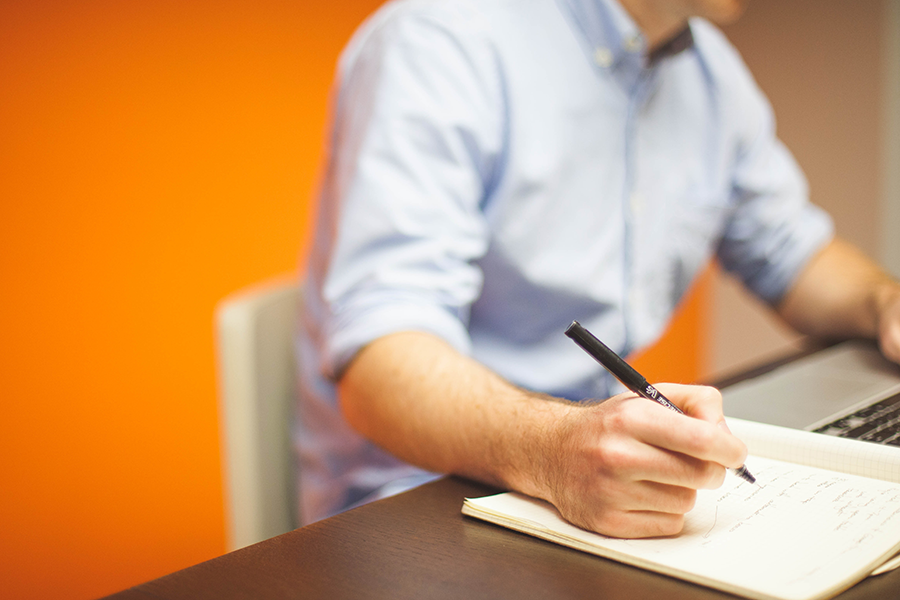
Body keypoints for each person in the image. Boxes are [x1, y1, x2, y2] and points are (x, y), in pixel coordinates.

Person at [295, 0, 900, 537]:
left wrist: (883, 302)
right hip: (418, 505)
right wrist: (554, 451)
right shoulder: (440, 40)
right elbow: (380, 365)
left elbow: (791, 252)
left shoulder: (709, 73)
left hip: (587, 476)